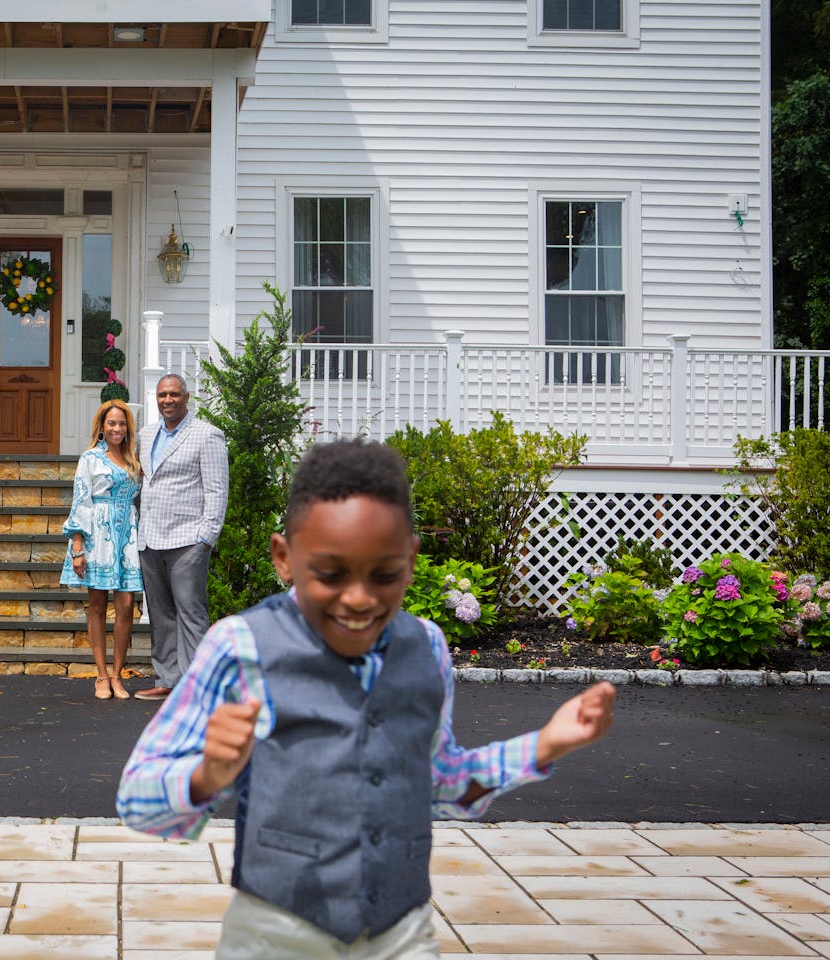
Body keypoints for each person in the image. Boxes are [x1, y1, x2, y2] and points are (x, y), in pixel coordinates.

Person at [117, 439, 617, 959]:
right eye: (330, 574)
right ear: (285, 558)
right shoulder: (240, 645)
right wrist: (207, 776)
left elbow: (439, 786)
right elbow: (137, 798)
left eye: (385, 575)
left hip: (401, 932)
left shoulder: (426, 647)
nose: (359, 597)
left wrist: (544, 746)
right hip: (277, 934)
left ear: (410, 559)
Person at [135, 372, 229, 700]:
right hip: (150, 538)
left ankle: (198, 685)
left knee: (191, 613)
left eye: (174, 394)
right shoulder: (145, 435)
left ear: (186, 397)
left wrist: (207, 537)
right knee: (161, 616)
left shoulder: (207, 435)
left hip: (188, 539)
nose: (167, 400)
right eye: (162, 395)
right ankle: (167, 680)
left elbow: (217, 490)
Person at [61, 398, 144, 700]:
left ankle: (118, 674)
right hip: (97, 536)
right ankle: (100, 676)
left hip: (128, 537)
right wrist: (77, 546)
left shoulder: (134, 458)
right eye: (112, 423)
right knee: (97, 605)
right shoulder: (90, 458)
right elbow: (81, 500)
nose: (117, 428)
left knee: (125, 607)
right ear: (102, 427)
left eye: (122, 423)